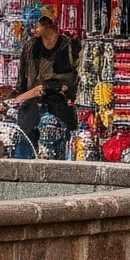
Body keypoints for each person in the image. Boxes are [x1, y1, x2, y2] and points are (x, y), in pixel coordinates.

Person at [14, 11, 78, 154]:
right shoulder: (30, 46)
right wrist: (20, 97)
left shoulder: (67, 45)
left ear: (47, 23)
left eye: (35, 25)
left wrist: (60, 90)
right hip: (31, 101)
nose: (31, 29)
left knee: (57, 146)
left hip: (59, 104)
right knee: (26, 138)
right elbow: (22, 77)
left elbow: (72, 78)